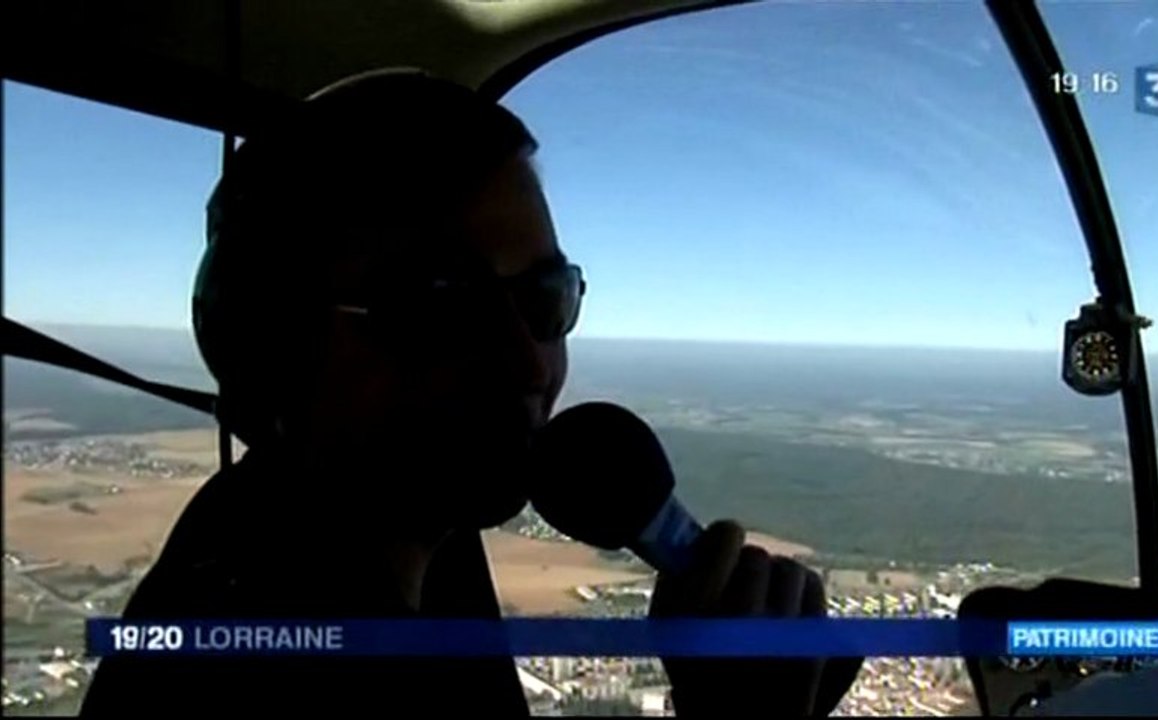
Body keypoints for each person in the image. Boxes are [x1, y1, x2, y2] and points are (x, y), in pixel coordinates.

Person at [81, 68, 859, 716]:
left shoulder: (414, 536)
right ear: (273, 342)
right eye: (441, 306)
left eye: (545, 298)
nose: (527, 362)